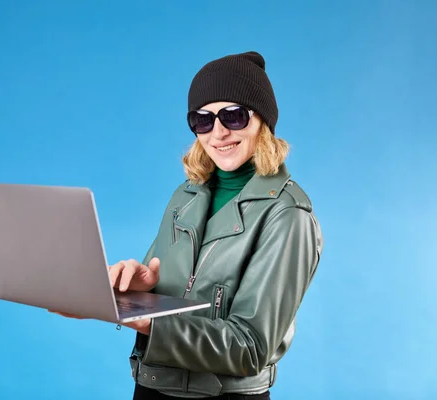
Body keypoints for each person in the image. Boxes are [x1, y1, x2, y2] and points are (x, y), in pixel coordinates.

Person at [52, 51, 324, 399]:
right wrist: (139, 290)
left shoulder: (288, 215)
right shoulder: (187, 195)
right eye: (203, 120)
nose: (219, 132)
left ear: (263, 122)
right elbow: (172, 294)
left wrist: (144, 321)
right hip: (152, 387)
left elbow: (250, 347)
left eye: (234, 116)